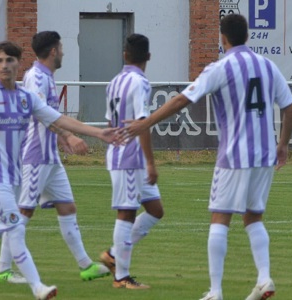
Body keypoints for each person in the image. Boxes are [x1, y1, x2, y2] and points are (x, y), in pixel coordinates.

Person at [123, 15, 292, 300]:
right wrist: (283, 144)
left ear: (222, 38)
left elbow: (182, 100)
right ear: (247, 36)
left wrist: (146, 123)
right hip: (265, 155)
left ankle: (216, 291)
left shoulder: (221, 68)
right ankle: (264, 278)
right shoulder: (268, 66)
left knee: (220, 218)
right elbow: (291, 110)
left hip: (234, 156)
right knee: (254, 217)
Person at [0, 41, 118, 300]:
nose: (4, 65)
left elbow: (58, 119)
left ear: (18, 63)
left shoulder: (24, 98)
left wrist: (99, 133)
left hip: (15, 176)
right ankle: (38, 288)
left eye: (9, 60)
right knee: (16, 228)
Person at [0, 31, 110, 285]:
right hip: (36, 156)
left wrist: (62, 139)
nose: (64, 52)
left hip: (50, 158)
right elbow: (41, 116)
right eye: (62, 47)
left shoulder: (46, 77)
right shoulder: (36, 77)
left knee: (67, 207)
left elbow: (49, 117)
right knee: (22, 212)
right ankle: (2, 269)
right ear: (54, 50)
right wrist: (69, 136)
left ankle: (85, 265)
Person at [97, 33, 164, 290]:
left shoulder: (114, 82)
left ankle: (114, 255)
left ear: (124, 54)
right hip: (129, 157)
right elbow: (143, 124)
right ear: (148, 56)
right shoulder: (140, 82)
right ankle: (121, 277)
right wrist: (150, 162)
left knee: (156, 210)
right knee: (126, 212)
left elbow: (108, 123)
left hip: (119, 152)